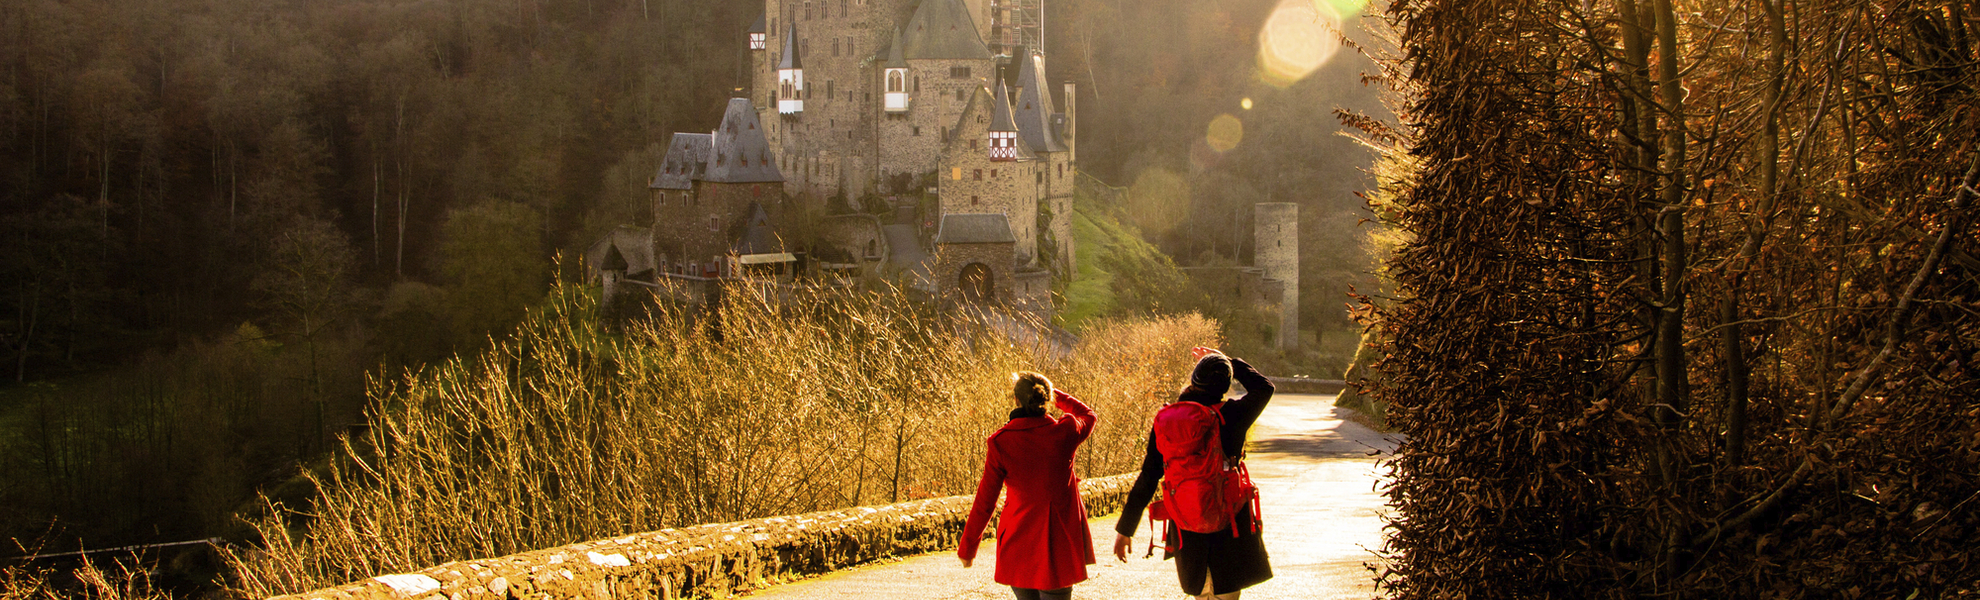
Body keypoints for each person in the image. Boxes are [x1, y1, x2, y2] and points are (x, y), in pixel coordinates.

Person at [1111, 347, 1273, 600]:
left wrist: (1126, 529)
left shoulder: (1167, 420)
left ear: (1193, 380)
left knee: (1201, 594)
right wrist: (1230, 362)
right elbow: (1264, 388)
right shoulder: (1233, 414)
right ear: (1225, 384)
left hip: (1186, 525)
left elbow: (1149, 476)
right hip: (1227, 523)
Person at [959, 371, 1099, 600]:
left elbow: (986, 499)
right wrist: (1057, 396)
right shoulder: (1065, 431)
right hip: (1058, 543)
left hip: (1018, 542)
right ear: (1046, 398)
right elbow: (1088, 414)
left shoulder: (1001, 441)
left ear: (1017, 400)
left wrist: (968, 547)